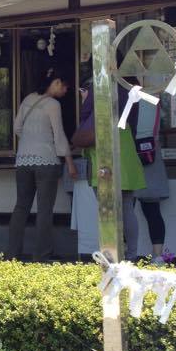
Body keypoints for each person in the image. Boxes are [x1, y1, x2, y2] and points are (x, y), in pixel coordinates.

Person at [70, 72, 146, 260]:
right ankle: (132, 254)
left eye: (82, 91)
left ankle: (112, 255)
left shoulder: (100, 98)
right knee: (127, 208)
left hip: (104, 162)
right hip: (127, 157)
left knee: (107, 210)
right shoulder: (126, 94)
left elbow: (84, 135)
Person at [7, 68, 76, 261]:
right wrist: (69, 162)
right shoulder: (53, 105)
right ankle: (42, 254)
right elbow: (59, 135)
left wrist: (30, 140)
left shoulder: (28, 99)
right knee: (44, 209)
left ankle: (13, 253)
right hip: (46, 161)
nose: (65, 91)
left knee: (21, 207)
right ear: (55, 83)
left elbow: (16, 127)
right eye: (64, 86)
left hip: (23, 161)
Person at [133, 99, 169, 264]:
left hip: (127, 153)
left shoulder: (120, 99)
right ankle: (158, 255)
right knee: (152, 211)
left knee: (125, 211)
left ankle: (127, 253)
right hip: (150, 152)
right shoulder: (153, 100)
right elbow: (165, 119)